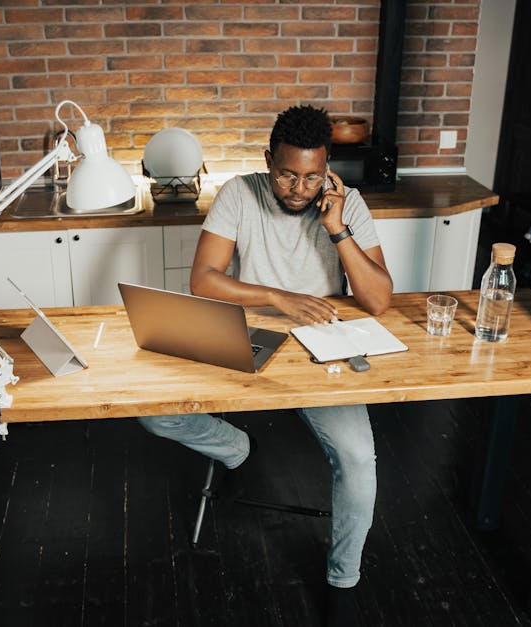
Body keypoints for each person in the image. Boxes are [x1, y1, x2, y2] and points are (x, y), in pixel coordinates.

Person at [138, 105, 393, 625]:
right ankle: (236, 448)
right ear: (267, 161)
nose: (299, 188)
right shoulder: (239, 192)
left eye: (311, 176)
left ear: (327, 170)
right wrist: (279, 297)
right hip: (247, 332)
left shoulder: (349, 204)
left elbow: (379, 300)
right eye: (286, 173)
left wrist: (338, 230)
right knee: (154, 412)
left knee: (359, 460)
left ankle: (343, 579)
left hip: (323, 341)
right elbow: (204, 280)